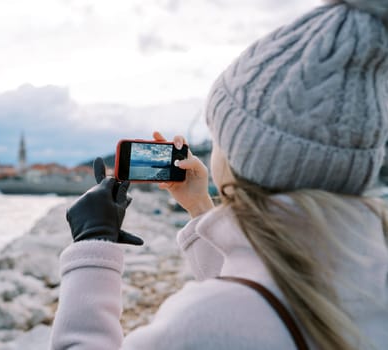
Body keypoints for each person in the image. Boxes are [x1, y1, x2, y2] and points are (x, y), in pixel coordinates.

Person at [50, 0, 388, 349]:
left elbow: (241, 310)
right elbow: (264, 283)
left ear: (246, 156)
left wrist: (92, 245)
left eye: (218, 135)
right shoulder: (369, 270)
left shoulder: (203, 322)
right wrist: (200, 208)